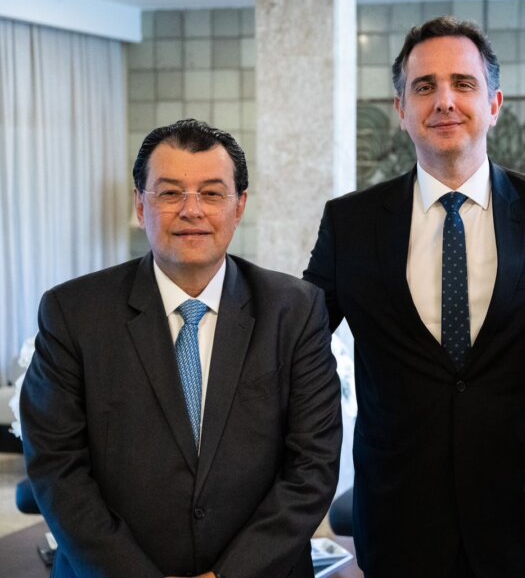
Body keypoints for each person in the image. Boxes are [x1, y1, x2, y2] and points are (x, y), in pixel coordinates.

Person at [304, 16, 525, 577]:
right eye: (424, 86)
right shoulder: (351, 223)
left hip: (521, 517)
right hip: (397, 519)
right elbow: (294, 336)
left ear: (494, 103)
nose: (444, 100)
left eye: (462, 84)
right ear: (401, 110)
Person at [20, 119, 343, 578]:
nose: (191, 210)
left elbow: (313, 467)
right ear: (139, 205)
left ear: (240, 206)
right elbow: (58, 469)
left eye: (212, 193)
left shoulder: (294, 311)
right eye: (170, 193)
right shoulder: (73, 314)